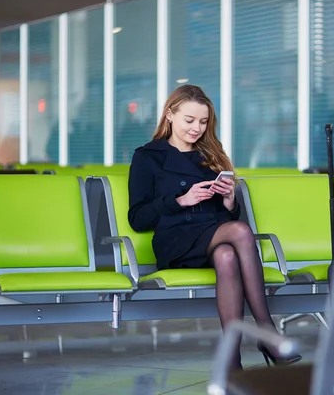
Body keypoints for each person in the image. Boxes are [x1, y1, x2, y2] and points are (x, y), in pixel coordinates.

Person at [127, 85, 302, 371]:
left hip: (212, 235)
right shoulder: (148, 156)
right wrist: (180, 200)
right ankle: (268, 333)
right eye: (189, 120)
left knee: (227, 256)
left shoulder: (212, 153)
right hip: (176, 240)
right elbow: (138, 217)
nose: (197, 128)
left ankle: (232, 361)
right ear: (170, 115)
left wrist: (230, 198)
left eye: (203, 121)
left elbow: (228, 213)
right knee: (241, 231)